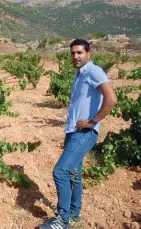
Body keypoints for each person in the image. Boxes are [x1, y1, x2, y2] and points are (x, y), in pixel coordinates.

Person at [38, 39, 118, 229]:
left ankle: (62, 220)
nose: (75, 56)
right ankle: (73, 215)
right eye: (73, 53)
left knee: (60, 171)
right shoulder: (79, 75)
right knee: (74, 175)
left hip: (85, 133)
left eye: (80, 52)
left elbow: (112, 99)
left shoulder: (93, 71)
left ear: (88, 53)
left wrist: (93, 121)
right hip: (73, 131)